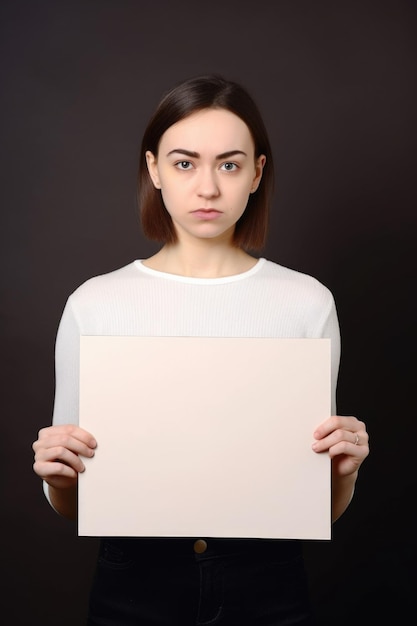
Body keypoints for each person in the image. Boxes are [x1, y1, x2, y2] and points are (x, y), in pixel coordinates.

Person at [32, 74, 369, 626]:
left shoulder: (305, 302)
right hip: (134, 582)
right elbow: (73, 504)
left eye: (229, 164)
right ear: (154, 170)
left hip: (268, 582)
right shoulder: (96, 303)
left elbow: (316, 504)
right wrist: (57, 474)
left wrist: (345, 470)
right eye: (184, 163)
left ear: (257, 172)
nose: (207, 188)